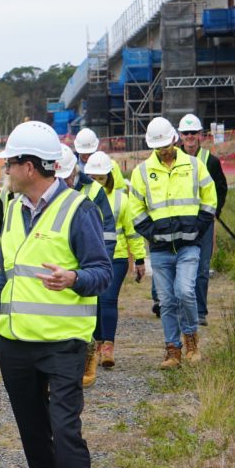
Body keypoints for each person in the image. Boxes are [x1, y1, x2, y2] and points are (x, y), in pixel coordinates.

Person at [0, 121, 113, 468]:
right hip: (17, 341)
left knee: (65, 429)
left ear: (30, 166)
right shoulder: (14, 208)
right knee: (33, 431)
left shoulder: (78, 209)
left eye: (10, 161)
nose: (4, 168)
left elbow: (103, 271)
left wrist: (75, 277)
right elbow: (7, 276)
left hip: (63, 343)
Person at [127, 117, 217, 369]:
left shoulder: (194, 165)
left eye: (166, 144)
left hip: (189, 245)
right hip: (160, 248)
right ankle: (172, 350)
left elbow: (210, 198)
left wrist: (197, 228)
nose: (164, 150)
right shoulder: (142, 172)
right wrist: (152, 233)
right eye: (159, 147)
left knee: (185, 292)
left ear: (174, 139)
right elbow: (136, 209)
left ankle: (191, 339)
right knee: (166, 301)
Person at [54, 143, 116, 388]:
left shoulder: (93, 191)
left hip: (86, 266)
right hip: (57, 264)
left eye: (67, 178)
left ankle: (89, 354)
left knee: (87, 311)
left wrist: (98, 264)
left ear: (74, 173)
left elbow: (108, 232)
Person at [83, 151, 147, 368]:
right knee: (94, 301)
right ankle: (97, 344)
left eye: (101, 178)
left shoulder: (122, 199)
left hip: (116, 257)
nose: (97, 183)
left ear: (109, 177)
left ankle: (108, 346)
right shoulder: (81, 196)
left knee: (108, 299)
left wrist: (139, 258)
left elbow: (132, 232)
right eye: (93, 178)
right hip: (89, 257)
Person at [177, 114, 228, 326]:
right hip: (178, 221)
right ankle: (178, 308)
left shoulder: (211, 161)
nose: (190, 137)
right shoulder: (171, 158)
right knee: (177, 265)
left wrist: (215, 212)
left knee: (202, 268)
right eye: (186, 133)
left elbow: (221, 188)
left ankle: (200, 311)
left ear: (200, 135)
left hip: (203, 222)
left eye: (193, 133)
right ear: (180, 135)